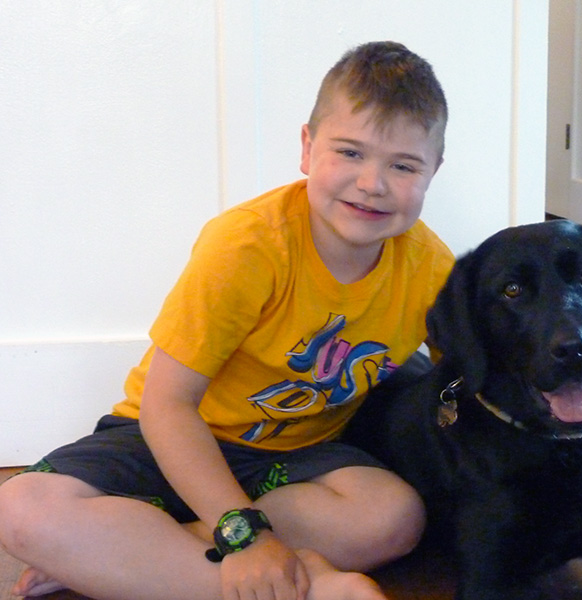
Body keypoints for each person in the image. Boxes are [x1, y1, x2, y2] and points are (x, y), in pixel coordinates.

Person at [0, 40, 453, 600]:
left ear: (434, 169)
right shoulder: (246, 246)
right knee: (23, 508)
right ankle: (306, 586)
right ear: (308, 149)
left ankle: (130, 556)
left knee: (393, 517)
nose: (372, 183)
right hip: (178, 435)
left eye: (402, 165)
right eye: (350, 153)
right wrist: (244, 538)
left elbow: (459, 380)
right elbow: (168, 406)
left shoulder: (434, 270)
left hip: (293, 455)